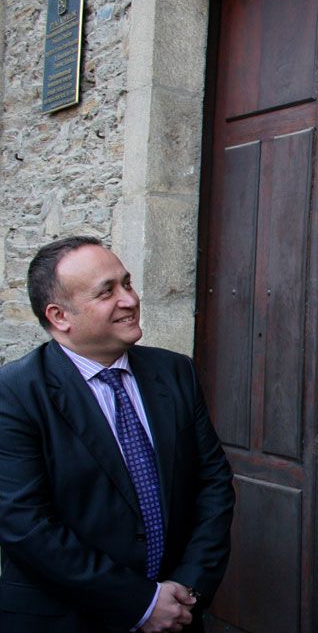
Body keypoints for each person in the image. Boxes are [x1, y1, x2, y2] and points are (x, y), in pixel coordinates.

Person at [0, 236, 235, 632]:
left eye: (126, 283)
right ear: (60, 316)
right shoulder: (16, 393)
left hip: (177, 614)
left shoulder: (175, 372)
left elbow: (213, 483)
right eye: (107, 292)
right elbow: (26, 525)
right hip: (66, 619)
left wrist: (187, 588)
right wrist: (140, 603)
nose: (129, 299)